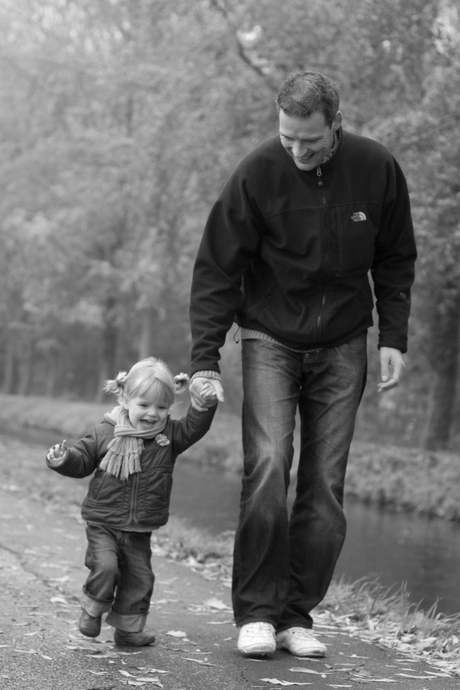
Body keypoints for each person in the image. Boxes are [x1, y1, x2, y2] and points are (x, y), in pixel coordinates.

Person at [188, 70, 416, 658]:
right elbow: (217, 267)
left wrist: (394, 335)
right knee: (267, 464)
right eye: (287, 137)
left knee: (324, 484)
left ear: (335, 125)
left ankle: (295, 614)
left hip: (344, 340)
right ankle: (257, 613)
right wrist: (205, 357)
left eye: (309, 141)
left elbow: (396, 257)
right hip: (269, 335)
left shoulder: (377, 168)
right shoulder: (258, 172)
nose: (296, 150)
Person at [46, 357, 217, 647]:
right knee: (106, 566)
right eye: (144, 405)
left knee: (140, 579)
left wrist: (202, 406)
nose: (153, 414)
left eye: (162, 407)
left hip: (140, 526)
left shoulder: (170, 436)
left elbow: (194, 428)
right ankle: (92, 609)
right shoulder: (105, 432)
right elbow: (83, 459)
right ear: (126, 399)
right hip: (103, 520)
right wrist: (64, 460)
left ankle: (127, 629)